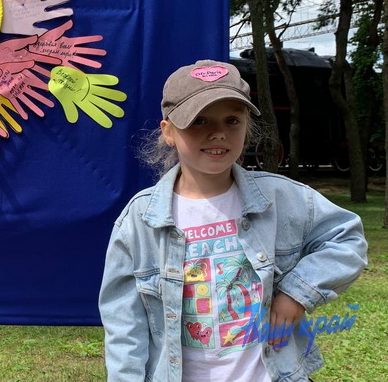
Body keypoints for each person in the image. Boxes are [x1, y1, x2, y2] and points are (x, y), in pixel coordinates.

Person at [99, 59, 367, 381]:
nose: (217, 133)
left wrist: (297, 292)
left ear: (246, 126)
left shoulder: (281, 197)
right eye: (198, 121)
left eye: (231, 120)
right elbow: (124, 327)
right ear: (168, 131)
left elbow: (347, 237)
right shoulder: (139, 221)